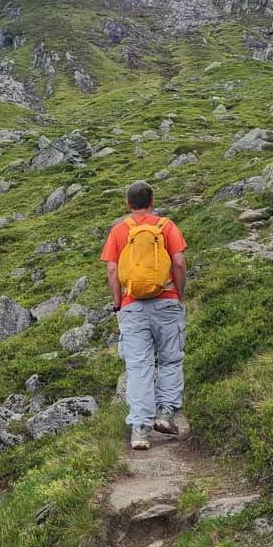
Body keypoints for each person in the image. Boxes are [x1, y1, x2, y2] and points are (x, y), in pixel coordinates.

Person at [100, 180, 187, 450]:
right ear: (152, 201)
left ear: (128, 204)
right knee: (171, 360)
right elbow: (180, 263)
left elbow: (113, 272)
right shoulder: (166, 226)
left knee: (138, 367)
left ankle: (139, 429)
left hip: (132, 305)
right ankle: (165, 414)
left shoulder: (119, 231)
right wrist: (179, 295)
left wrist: (118, 303)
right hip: (167, 302)